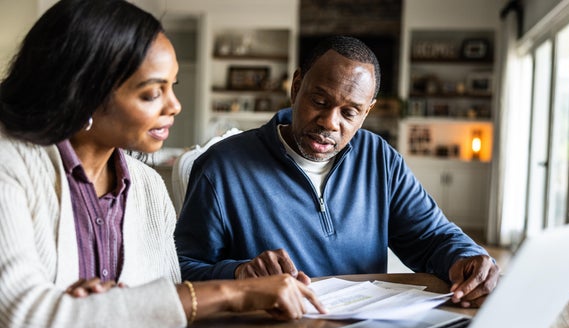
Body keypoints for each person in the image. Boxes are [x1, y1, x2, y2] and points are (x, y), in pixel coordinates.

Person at [0, 1, 323, 328]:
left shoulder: (148, 189)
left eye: (173, 86)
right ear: (82, 92)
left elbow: (167, 312)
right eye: (152, 92)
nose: (174, 105)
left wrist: (99, 309)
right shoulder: (9, 163)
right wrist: (236, 294)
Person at [175, 35, 500, 309]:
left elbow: (430, 237)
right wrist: (239, 274)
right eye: (319, 100)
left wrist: (467, 258)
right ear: (297, 86)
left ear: (367, 111)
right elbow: (183, 269)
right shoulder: (222, 166)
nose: (330, 122)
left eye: (350, 112)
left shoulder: (379, 158)